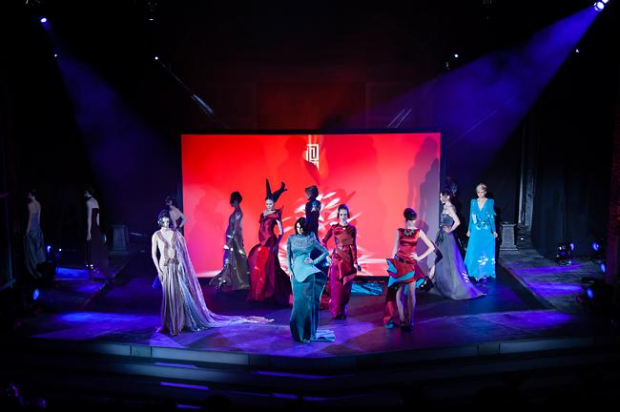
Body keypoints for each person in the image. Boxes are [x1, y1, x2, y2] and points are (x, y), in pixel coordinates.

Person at [151, 211, 271, 336]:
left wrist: (182, 267)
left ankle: (178, 324)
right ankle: (169, 323)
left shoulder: (175, 233)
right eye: (164, 222)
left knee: (178, 295)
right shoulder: (156, 235)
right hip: (165, 268)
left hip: (177, 267)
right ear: (160, 222)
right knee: (168, 296)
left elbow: (182, 252)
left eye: (167, 222)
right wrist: (159, 271)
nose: (166, 224)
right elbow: (154, 254)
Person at [383, 208, 435, 332]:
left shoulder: (418, 232)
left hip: (411, 265)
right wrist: (391, 265)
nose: (413, 222)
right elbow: (395, 248)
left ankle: (410, 320)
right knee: (399, 293)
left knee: (411, 294)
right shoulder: (399, 231)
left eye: (414, 219)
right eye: (411, 219)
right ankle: (402, 319)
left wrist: (419, 257)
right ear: (406, 219)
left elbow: (432, 247)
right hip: (399, 264)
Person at [428, 189, 485, 300]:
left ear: (447, 196)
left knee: (450, 261)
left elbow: (457, 222)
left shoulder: (450, 208)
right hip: (442, 236)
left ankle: (453, 286)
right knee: (441, 260)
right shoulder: (446, 207)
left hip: (447, 237)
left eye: (441, 196)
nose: (440, 198)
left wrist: (450, 230)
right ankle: (442, 284)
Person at [287, 217, 335, 343]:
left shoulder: (310, 240)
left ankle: (306, 333)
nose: (299, 230)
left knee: (307, 305)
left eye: (301, 228)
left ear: (305, 228)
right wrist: (289, 269)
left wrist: (313, 261)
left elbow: (325, 252)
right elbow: (288, 255)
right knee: (297, 304)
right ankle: (299, 332)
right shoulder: (291, 238)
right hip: (295, 274)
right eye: (297, 227)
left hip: (308, 274)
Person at [247, 180, 291, 305]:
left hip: (270, 242)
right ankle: (263, 293)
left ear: (274, 203)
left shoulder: (276, 214)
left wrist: (277, 245)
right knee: (261, 267)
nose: (268, 206)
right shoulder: (263, 213)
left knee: (270, 268)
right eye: (267, 203)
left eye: (270, 204)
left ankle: (272, 294)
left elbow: (281, 231)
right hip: (262, 243)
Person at [322, 204, 361, 319]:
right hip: (336, 260)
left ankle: (342, 310)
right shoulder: (334, 228)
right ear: (338, 215)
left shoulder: (352, 229)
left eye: (345, 214)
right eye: (341, 214)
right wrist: (327, 256)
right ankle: (336, 312)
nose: (343, 217)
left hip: (348, 261)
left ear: (347, 215)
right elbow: (323, 241)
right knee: (336, 288)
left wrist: (355, 262)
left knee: (346, 289)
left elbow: (353, 246)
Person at [209, 191, 250, 291]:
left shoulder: (238, 213)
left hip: (233, 240)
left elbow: (236, 229)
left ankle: (234, 281)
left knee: (235, 259)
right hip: (232, 239)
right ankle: (228, 280)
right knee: (231, 259)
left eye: (232, 200)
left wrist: (229, 242)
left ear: (235, 201)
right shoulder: (237, 212)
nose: (231, 202)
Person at [464, 183, 498, 282]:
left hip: (486, 229)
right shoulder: (473, 202)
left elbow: (491, 217)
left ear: (485, 192)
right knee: (475, 250)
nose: (480, 194)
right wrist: (469, 229)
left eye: (482, 192)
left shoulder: (490, 202)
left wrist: (494, 230)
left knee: (484, 250)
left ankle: (484, 272)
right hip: (475, 229)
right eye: (478, 192)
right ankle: (475, 272)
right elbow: (471, 216)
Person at [84, 187, 112, 286]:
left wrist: (88, 232)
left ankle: (93, 274)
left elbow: (88, 218)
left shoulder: (88, 202)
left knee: (92, 250)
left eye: (85, 192)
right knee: (98, 249)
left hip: (92, 228)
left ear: (87, 192)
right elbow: (98, 216)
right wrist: (97, 228)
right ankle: (102, 273)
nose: (84, 194)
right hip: (96, 227)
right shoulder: (95, 201)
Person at [24, 189, 46, 279]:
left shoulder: (30, 205)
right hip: (37, 229)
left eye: (28, 194)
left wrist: (27, 231)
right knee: (38, 250)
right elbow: (38, 218)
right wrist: (39, 228)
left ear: (31, 195)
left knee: (32, 252)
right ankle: (42, 271)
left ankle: (36, 273)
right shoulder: (38, 204)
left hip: (31, 230)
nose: (27, 196)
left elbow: (30, 219)